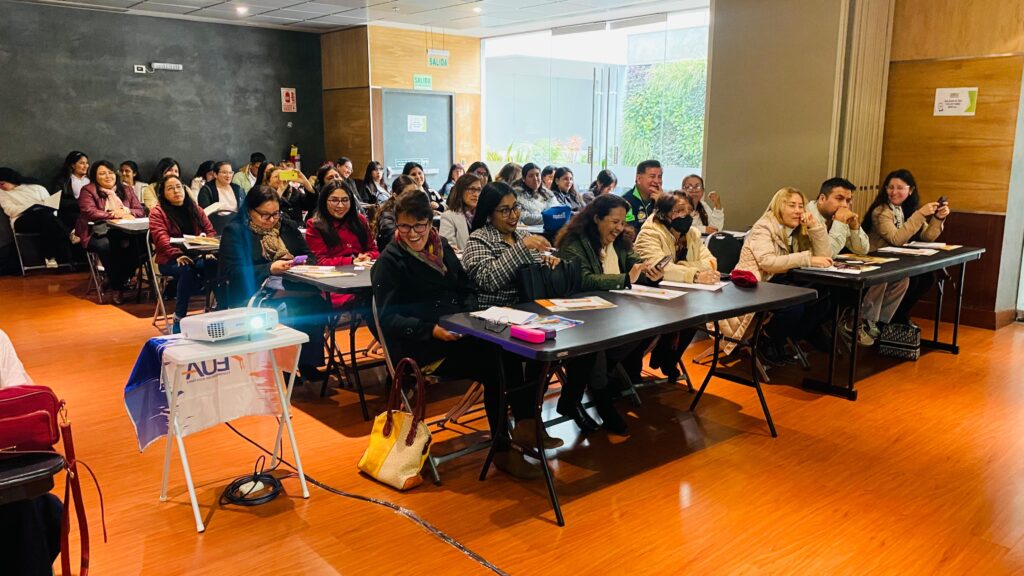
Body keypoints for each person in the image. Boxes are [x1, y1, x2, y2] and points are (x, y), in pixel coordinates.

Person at [371, 189, 547, 478]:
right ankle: (503, 448)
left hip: (458, 332)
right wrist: (432, 330)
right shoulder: (390, 261)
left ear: (430, 222)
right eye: (404, 226)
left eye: (419, 226)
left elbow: (466, 288)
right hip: (422, 345)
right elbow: (388, 318)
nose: (412, 233)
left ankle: (525, 426)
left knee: (509, 351)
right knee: (495, 366)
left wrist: (467, 317)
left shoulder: (441, 247)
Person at [555, 194, 665, 434]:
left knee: (647, 327)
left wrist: (650, 273)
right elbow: (583, 279)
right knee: (597, 347)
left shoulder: (621, 241)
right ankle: (602, 401)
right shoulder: (575, 242)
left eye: (622, 222)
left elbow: (635, 264)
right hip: (584, 315)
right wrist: (624, 279)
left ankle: (575, 396)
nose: (619, 228)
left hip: (616, 311)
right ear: (596, 218)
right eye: (614, 222)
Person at [219, 186, 328, 381]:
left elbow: (310, 256)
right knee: (283, 309)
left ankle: (306, 362)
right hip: (255, 291)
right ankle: (282, 369)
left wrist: (299, 262)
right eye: (265, 215)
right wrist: (270, 268)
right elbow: (233, 272)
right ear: (249, 211)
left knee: (315, 304)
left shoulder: (286, 226)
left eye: (275, 214)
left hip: (291, 286)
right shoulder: (236, 231)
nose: (271, 220)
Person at [724, 187, 833, 364]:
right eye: (792, 205)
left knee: (823, 296)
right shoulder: (763, 227)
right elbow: (767, 262)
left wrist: (815, 227)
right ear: (778, 207)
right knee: (794, 305)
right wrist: (807, 259)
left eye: (801, 206)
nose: (798, 211)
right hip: (755, 284)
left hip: (779, 281)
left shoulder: (799, 228)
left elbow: (825, 256)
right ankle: (766, 339)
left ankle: (785, 338)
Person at [634, 191, 718, 381]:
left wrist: (682, 266)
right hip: (651, 295)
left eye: (689, 210)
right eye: (679, 211)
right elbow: (660, 268)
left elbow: (711, 262)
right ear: (664, 214)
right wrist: (695, 275)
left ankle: (668, 359)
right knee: (666, 319)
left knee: (696, 317)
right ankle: (636, 367)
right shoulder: (649, 233)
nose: (686, 215)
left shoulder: (692, 233)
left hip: (684, 294)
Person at [863, 168, 949, 330]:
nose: (894, 192)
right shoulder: (881, 211)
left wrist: (938, 218)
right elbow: (896, 239)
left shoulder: (907, 209)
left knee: (927, 277)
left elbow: (927, 237)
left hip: (897, 261)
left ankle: (896, 317)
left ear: (911, 190)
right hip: (877, 261)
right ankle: (883, 322)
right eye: (890, 187)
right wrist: (920, 214)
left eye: (900, 188)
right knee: (911, 279)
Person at [462, 181, 554, 307]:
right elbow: (488, 280)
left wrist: (548, 262)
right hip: (494, 313)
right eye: (505, 210)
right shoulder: (478, 239)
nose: (514, 215)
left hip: (531, 308)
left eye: (516, 207)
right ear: (489, 214)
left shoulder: (523, 235)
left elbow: (536, 272)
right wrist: (521, 248)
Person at [149, 174, 216, 333]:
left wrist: (207, 246)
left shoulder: (195, 209)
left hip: (197, 255)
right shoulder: (158, 212)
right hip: (170, 259)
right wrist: (177, 254)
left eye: (179, 187)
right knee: (187, 270)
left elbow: (210, 232)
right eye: (170, 188)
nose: (176, 191)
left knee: (216, 265)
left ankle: (219, 309)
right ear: (163, 193)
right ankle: (179, 317)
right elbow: (161, 239)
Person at [76, 160, 146, 303]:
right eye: (102, 173)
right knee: (106, 246)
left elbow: (140, 210)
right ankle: (117, 288)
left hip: (125, 230)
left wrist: (127, 211)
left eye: (110, 172)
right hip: (97, 231)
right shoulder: (88, 190)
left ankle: (115, 278)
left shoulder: (126, 189)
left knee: (144, 244)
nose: (108, 176)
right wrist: (114, 214)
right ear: (95, 176)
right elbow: (89, 212)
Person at [305, 179, 378, 308]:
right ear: (324, 201)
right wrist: (352, 261)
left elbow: (374, 250)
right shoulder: (315, 225)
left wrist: (367, 256)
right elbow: (320, 261)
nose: (340, 205)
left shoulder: (360, 221)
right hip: (335, 282)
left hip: (364, 276)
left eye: (345, 200)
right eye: (334, 200)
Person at [0, 167, 72, 269]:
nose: (1, 187)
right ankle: (69, 235)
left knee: (47, 217)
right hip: (21, 220)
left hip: (46, 218)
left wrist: (40, 208)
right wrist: (31, 207)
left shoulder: (36, 187)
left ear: (10, 179)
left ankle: (51, 257)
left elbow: (52, 205)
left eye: (2, 184)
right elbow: (10, 210)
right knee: (45, 216)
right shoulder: (1, 193)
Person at [437, 174, 484, 251]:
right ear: (460, 191)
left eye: (479, 190)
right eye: (472, 189)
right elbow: (448, 249)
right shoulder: (449, 216)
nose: (476, 194)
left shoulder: (485, 215)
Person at [373, 175, 418, 251]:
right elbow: (393, 238)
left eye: (415, 194)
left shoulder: (415, 211)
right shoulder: (387, 214)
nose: (413, 198)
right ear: (395, 196)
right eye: (407, 194)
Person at [622, 160, 663, 235]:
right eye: (652, 176)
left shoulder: (663, 199)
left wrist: (662, 204)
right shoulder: (626, 201)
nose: (657, 181)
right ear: (639, 179)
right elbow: (632, 232)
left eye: (659, 177)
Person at [54, 150, 89, 239]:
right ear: (73, 165)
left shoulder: (91, 180)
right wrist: (78, 204)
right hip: (72, 214)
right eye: (82, 163)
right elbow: (57, 201)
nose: (86, 166)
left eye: (87, 163)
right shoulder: (63, 181)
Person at [512, 163, 556, 227]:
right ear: (524, 179)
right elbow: (524, 217)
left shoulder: (549, 194)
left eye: (537, 175)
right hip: (529, 230)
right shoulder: (517, 195)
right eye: (531, 176)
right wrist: (549, 218)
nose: (535, 179)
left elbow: (556, 211)